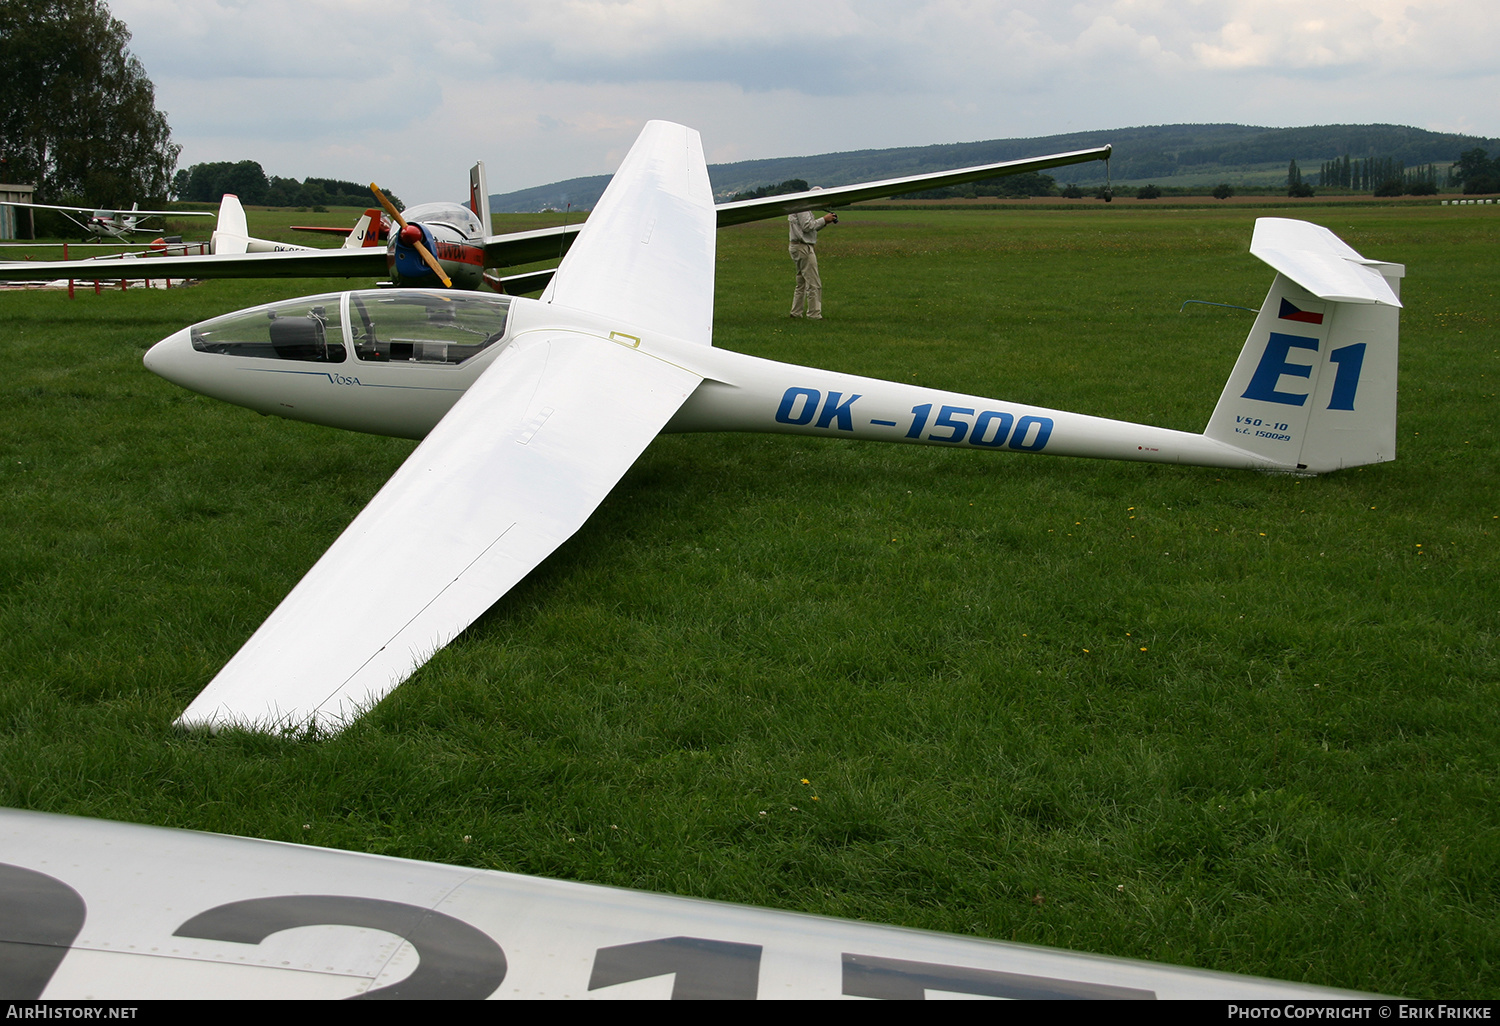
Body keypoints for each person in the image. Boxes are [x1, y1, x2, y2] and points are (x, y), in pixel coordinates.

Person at [788, 189, 837, 319]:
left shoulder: (801, 206)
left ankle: (796, 312)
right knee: (813, 282)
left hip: (797, 246)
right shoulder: (803, 207)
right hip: (803, 247)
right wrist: (823, 219)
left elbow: (809, 228)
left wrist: (825, 222)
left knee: (801, 282)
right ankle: (814, 314)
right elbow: (807, 226)